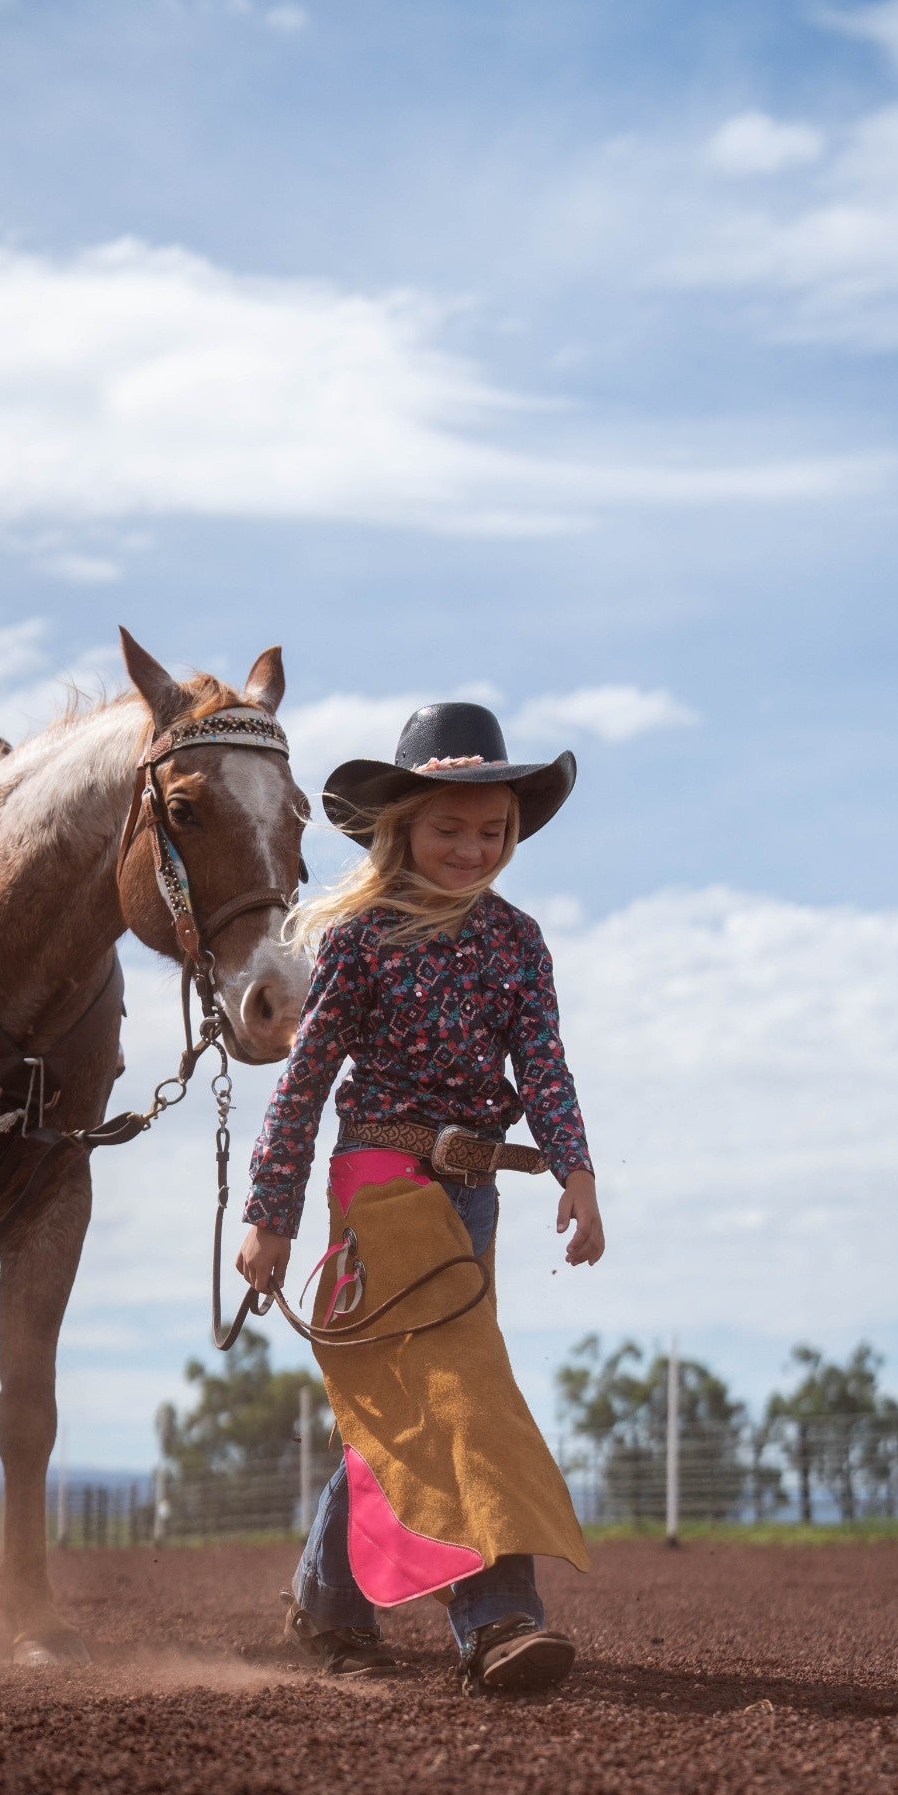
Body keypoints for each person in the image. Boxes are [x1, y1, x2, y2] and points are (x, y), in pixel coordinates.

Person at [238, 700, 604, 1697]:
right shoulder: (359, 938)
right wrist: (270, 1214)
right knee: (460, 1392)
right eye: (451, 827)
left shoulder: (518, 944)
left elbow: (546, 1068)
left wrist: (577, 1171)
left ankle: (326, 1597)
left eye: (491, 830)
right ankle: (498, 1620)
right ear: (401, 825)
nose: (472, 847)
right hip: (379, 1184)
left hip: (474, 1194)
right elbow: (305, 1079)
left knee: (406, 1403)